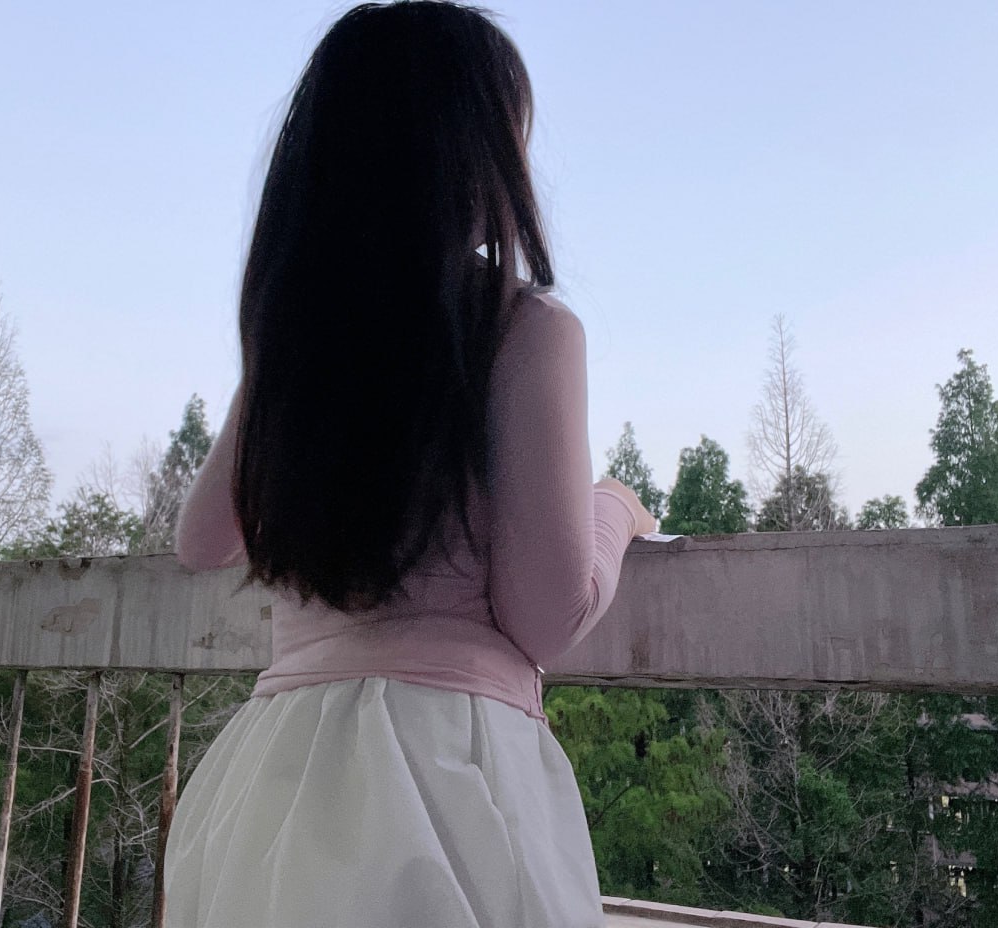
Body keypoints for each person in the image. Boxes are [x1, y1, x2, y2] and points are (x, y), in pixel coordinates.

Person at [164, 2, 655, 926]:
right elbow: (546, 615)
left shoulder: (297, 338)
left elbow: (201, 539)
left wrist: (276, 362)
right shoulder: (524, 328)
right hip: (449, 775)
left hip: (275, 780)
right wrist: (615, 510)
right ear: (480, 158)